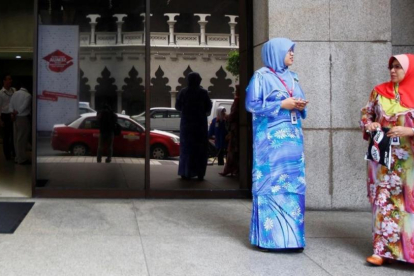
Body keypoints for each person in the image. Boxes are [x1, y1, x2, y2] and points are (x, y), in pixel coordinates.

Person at [245, 37, 309, 251]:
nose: (292, 54)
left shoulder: (294, 77)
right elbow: (251, 104)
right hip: (270, 146)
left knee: (293, 185)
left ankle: (294, 240)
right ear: (276, 52)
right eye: (288, 51)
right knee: (271, 185)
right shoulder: (261, 77)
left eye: (293, 51)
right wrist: (281, 104)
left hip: (293, 143)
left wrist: (299, 105)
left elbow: (301, 103)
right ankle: (271, 239)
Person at [361, 54, 414, 266]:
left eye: (398, 67)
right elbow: (367, 114)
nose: (392, 71)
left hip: (408, 160)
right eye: (391, 67)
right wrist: (370, 124)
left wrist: (409, 130)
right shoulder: (379, 91)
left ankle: (408, 253)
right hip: (382, 157)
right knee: (382, 203)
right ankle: (380, 251)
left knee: (407, 204)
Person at [176, 72, 212, 181]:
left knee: (186, 148)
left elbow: (177, 106)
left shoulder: (183, 92)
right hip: (200, 124)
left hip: (187, 124)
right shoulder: (203, 93)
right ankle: (199, 172)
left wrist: (187, 109)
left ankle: (185, 172)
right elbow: (208, 107)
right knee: (200, 149)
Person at [219, 84, 240, 176]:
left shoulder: (238, 101)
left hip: (236, 130)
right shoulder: (243, 100)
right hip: (238, 130)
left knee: (233, 150)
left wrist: (226, 116)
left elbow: (233, 115)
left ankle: (230, 169)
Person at [9, 83, 31, 165]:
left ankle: (17, 157)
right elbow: (24, 106)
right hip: (23, 118)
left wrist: (13, 112)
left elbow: (10, 104)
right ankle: (22, 158)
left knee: (16, 138)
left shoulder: (14, 93)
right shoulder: (28, 95)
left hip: (14, 118)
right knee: (22, 139)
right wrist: (17, 111)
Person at [0, 74, 16, 160]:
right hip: (4, 115)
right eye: (8, 79)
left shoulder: (14, 90)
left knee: (14, 135)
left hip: (13, 114)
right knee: (6, 136)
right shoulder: (1, 93)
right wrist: (0, 120)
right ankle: (7, 155)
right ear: (4, 81)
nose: (10, 81)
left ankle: (14, 152)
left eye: (11, 79)